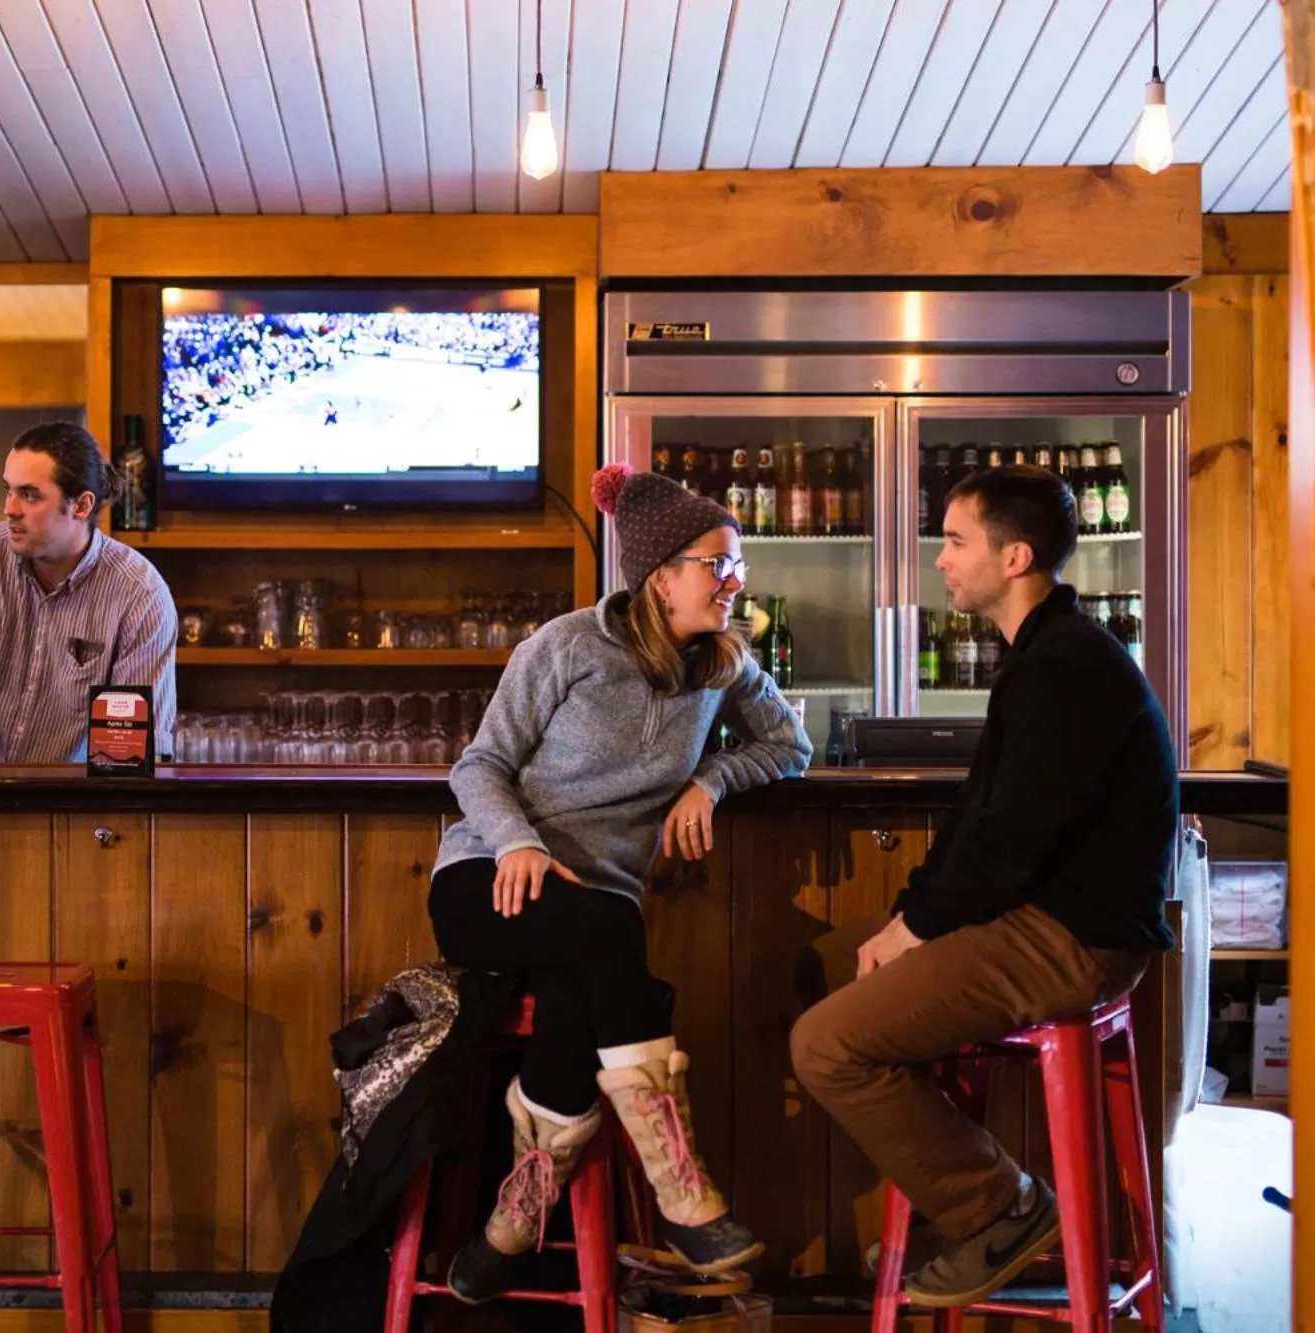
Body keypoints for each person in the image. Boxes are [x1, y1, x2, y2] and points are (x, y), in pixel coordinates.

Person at [791, 465, 1178, 1309]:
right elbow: (982, 821)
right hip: (1044, 918)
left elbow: (1008, 840)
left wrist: (914, 930)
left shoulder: (1062, 665)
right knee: (826, 959)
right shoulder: (1045, 653)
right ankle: (950, 1197)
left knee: (824, 1045)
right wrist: (905, 917)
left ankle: (1002, 1210)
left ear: (1016, 557)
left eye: (957, 540)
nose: (939, 560)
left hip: (1073, 936)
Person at [429, 464, 812, 1300]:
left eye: (736, 563)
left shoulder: (721, 665)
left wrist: (710, 780)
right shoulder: (566, 645)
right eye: (719, 562)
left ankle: (510, 1223)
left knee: (584, 982)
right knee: (611, 936)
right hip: (487, 882)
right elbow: (479, 764)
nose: (735, 579)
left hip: (594, 911)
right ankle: (678, 1188)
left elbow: (792, 745)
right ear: (660, 574)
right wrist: (519, 844)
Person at [0, 422, 179, 763]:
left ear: (81, 506)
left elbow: (130, 753)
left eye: (29, 495)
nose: (10, 508)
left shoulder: (139, 594)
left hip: (83, 806)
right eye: (8, 490)